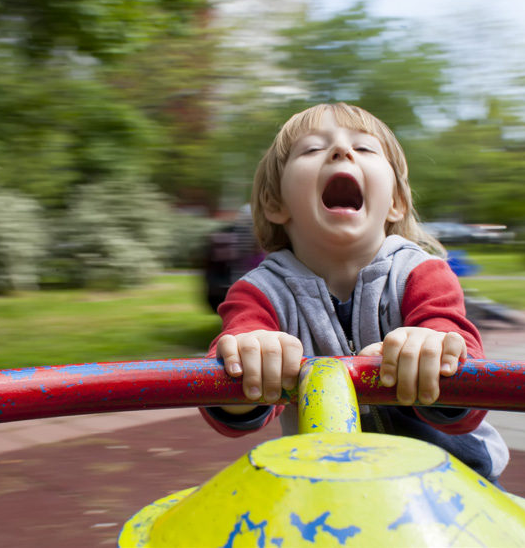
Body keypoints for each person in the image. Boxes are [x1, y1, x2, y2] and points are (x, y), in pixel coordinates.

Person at [200, 102, 508, 484]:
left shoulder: (422, 273)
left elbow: (464, 373)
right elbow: (230, 397)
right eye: (312, 149)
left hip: (454, 486)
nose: (341, 151)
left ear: (395, 202)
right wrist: (246, 362)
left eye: (364, 148)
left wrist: (435, 349)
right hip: (332, 490)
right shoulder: (257, 293)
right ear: (275, 203)